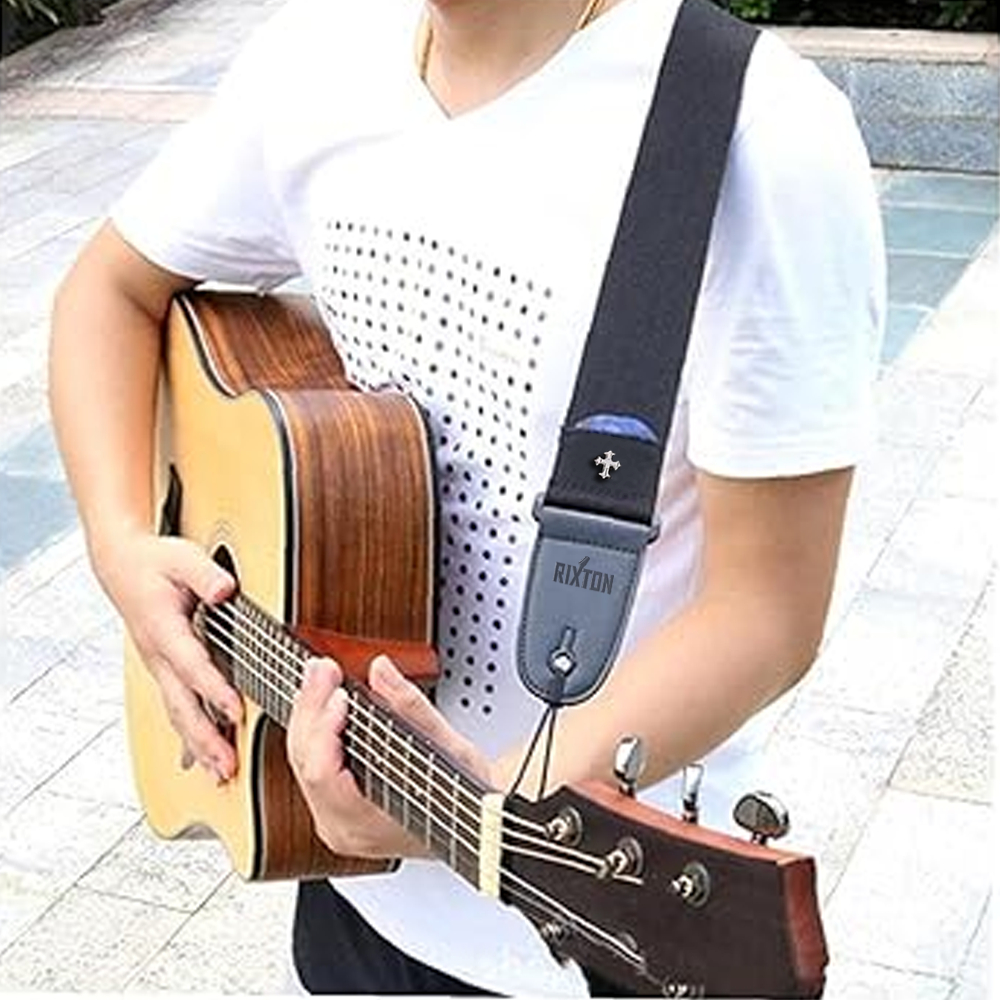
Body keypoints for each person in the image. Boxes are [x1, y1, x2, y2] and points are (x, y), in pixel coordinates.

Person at [48, 0, 885, 994]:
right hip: (348, 897)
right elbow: (108, 292)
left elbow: (765, 613)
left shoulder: (756, 134)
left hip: (598, 917)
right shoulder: (312, 62)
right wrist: (121, 545)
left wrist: (485, 806)